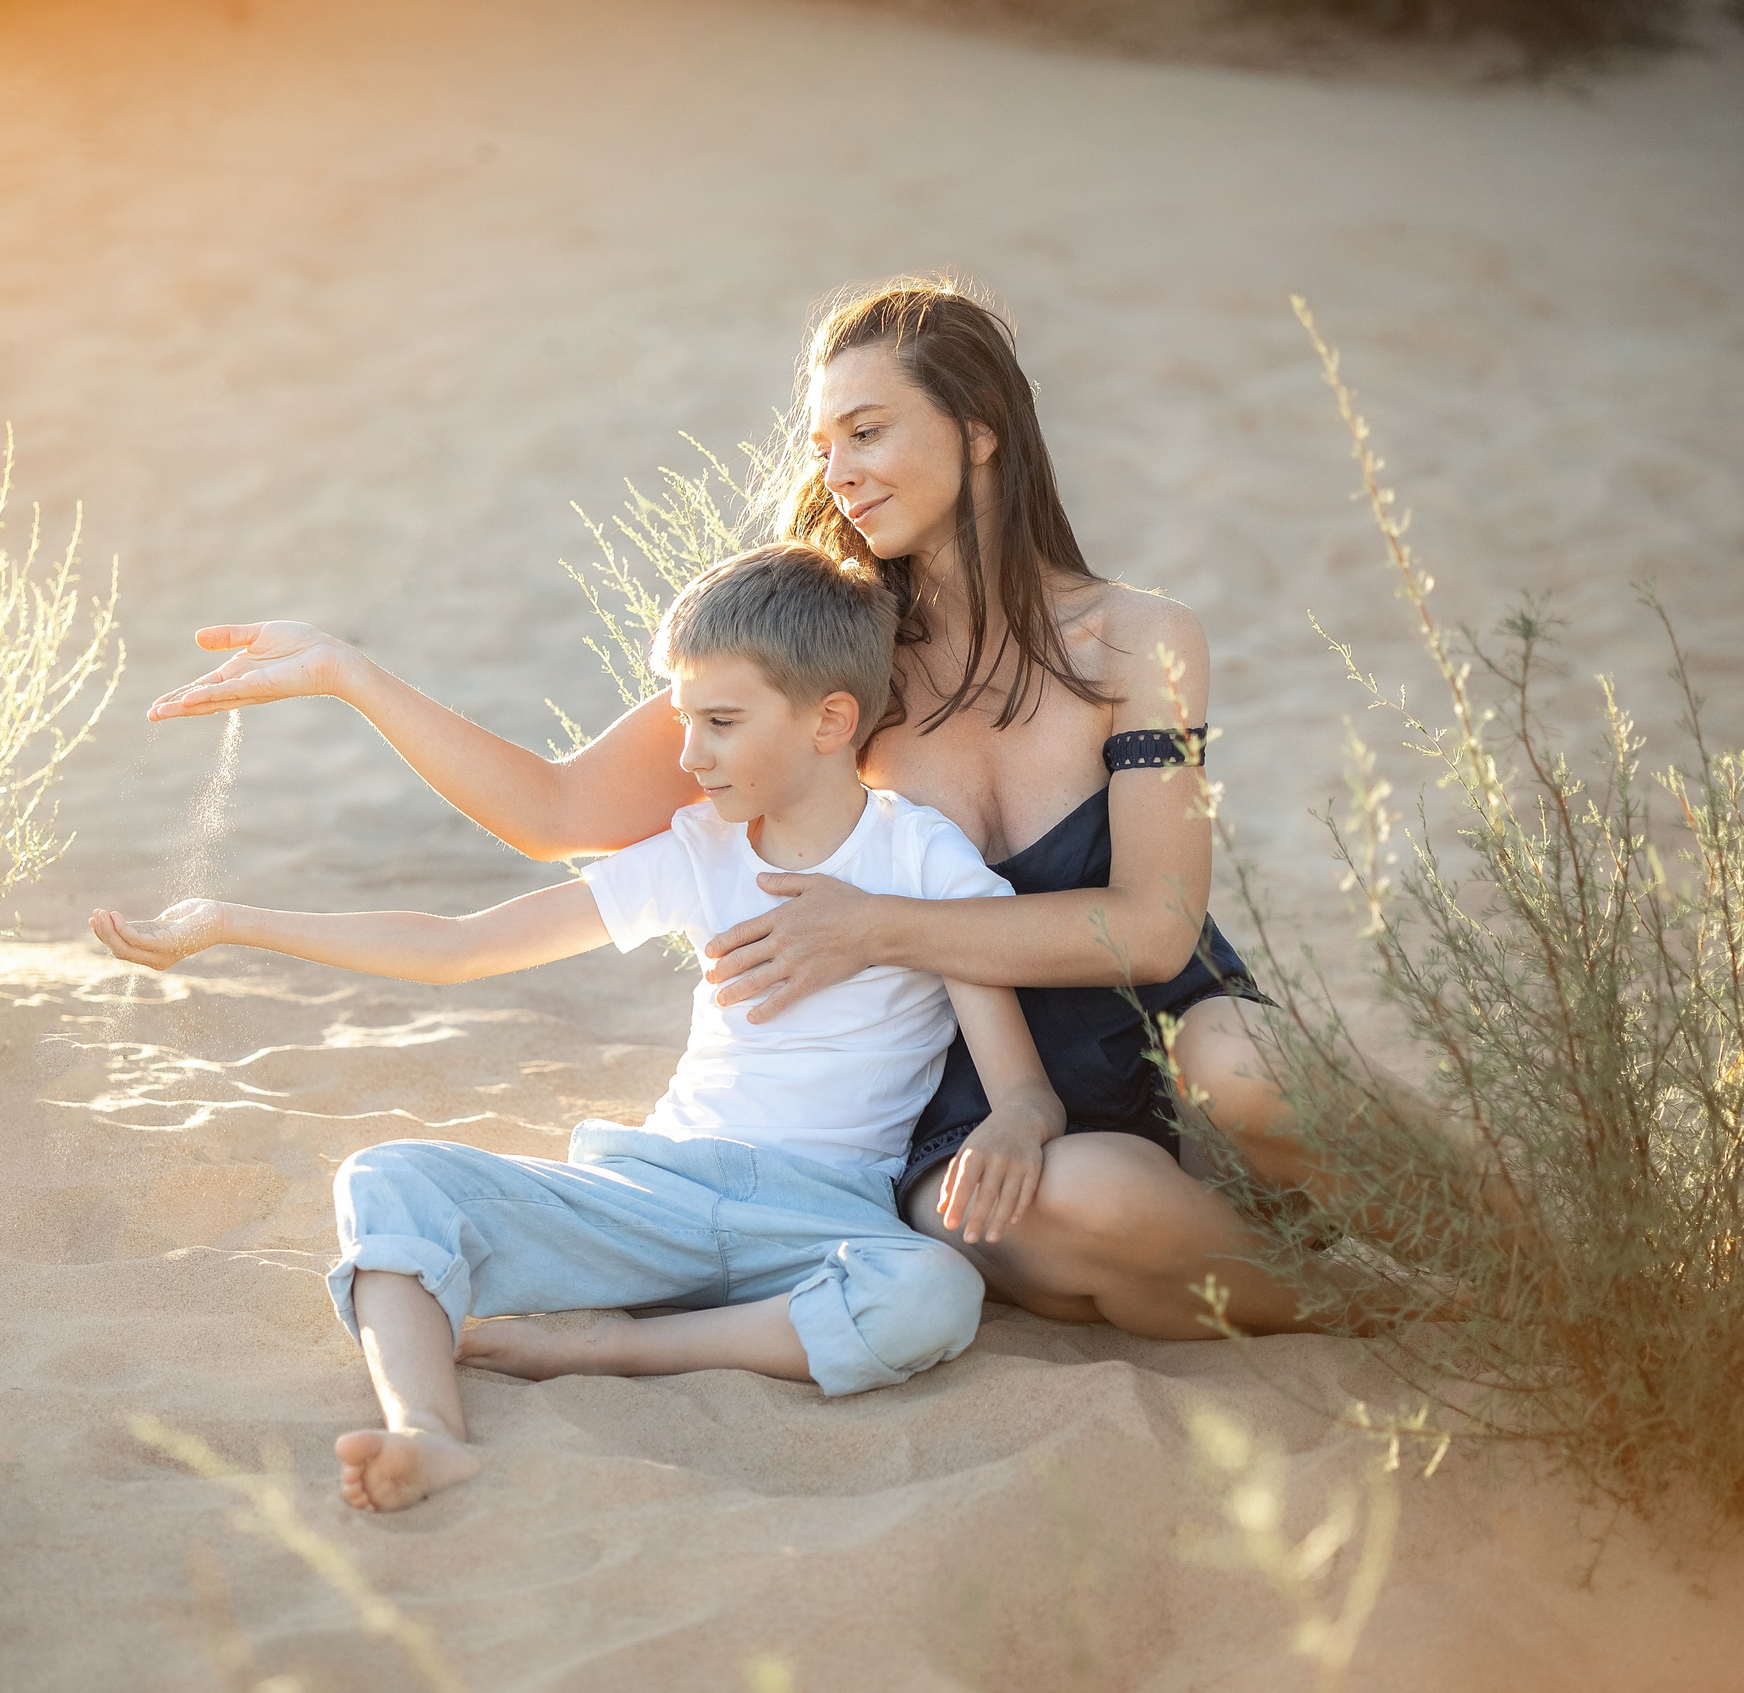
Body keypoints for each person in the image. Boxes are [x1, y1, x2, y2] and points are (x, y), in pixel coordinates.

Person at [138, 277, 1417, 1339]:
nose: (837, 470)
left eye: (866, 430)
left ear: (979, 427)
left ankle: (1525, 1260)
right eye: (822, 444)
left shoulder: (1140, 639)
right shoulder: (834, 660)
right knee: (1076, 1205)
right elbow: (560, 811)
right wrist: (350, 673)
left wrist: (876, 928)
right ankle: (1361, 1307)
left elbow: (1148, 930)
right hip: (975, 1106)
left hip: (1164, 1032)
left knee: (1246, 1070)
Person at [92, 544, 1067, 1511]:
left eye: (721, 723)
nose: (688, 756)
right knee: (385, 1177)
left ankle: (609, 1346)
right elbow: (456, 948)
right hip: (654, 1194)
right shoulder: (695, 850)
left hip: (819, 1220)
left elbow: (1018, 1086)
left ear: (830, 720)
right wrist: (230, 923)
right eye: (684, 720)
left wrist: (1016, 1123)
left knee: (933, 1292)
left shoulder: (923, 858)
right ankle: (428, 1431)